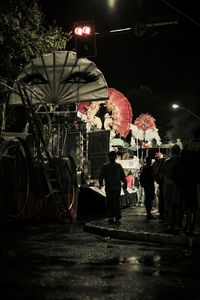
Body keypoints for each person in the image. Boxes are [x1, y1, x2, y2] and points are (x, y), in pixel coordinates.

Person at [99, 151, 127, 223]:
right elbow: (101, 176)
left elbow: (122, 176)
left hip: (114, 187)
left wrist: (125, 182)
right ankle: (113, 215)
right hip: (111, 187)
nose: (112, 158)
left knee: (114, 201)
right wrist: (100, 182)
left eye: (113, 156)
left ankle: (115, 215)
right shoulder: (108, 166)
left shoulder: (115, 166)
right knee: (111, 201)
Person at [181, 127, 200, 234]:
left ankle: (188, 225)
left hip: (187, 180)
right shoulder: (199, 147)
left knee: (188, 205)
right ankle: (196, 226)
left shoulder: (187, 147)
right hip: (197, 180)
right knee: (197, 205)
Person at [162, 144, 183, 233]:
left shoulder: (167, 162)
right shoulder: (182, 162)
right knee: (178, 205)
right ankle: (177, 225)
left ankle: (169, 223)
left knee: (169, 206)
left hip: (167, 185)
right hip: (178, 186)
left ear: (171, 152)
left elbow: (162, 175)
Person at [152, 152, 165, 220]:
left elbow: (154, 173)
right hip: (161, 183)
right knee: (160, 197)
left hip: (160, 182)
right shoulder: (161, 162)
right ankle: (161, 212)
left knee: (160, 197)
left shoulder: (157, 163)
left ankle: (161, 212)